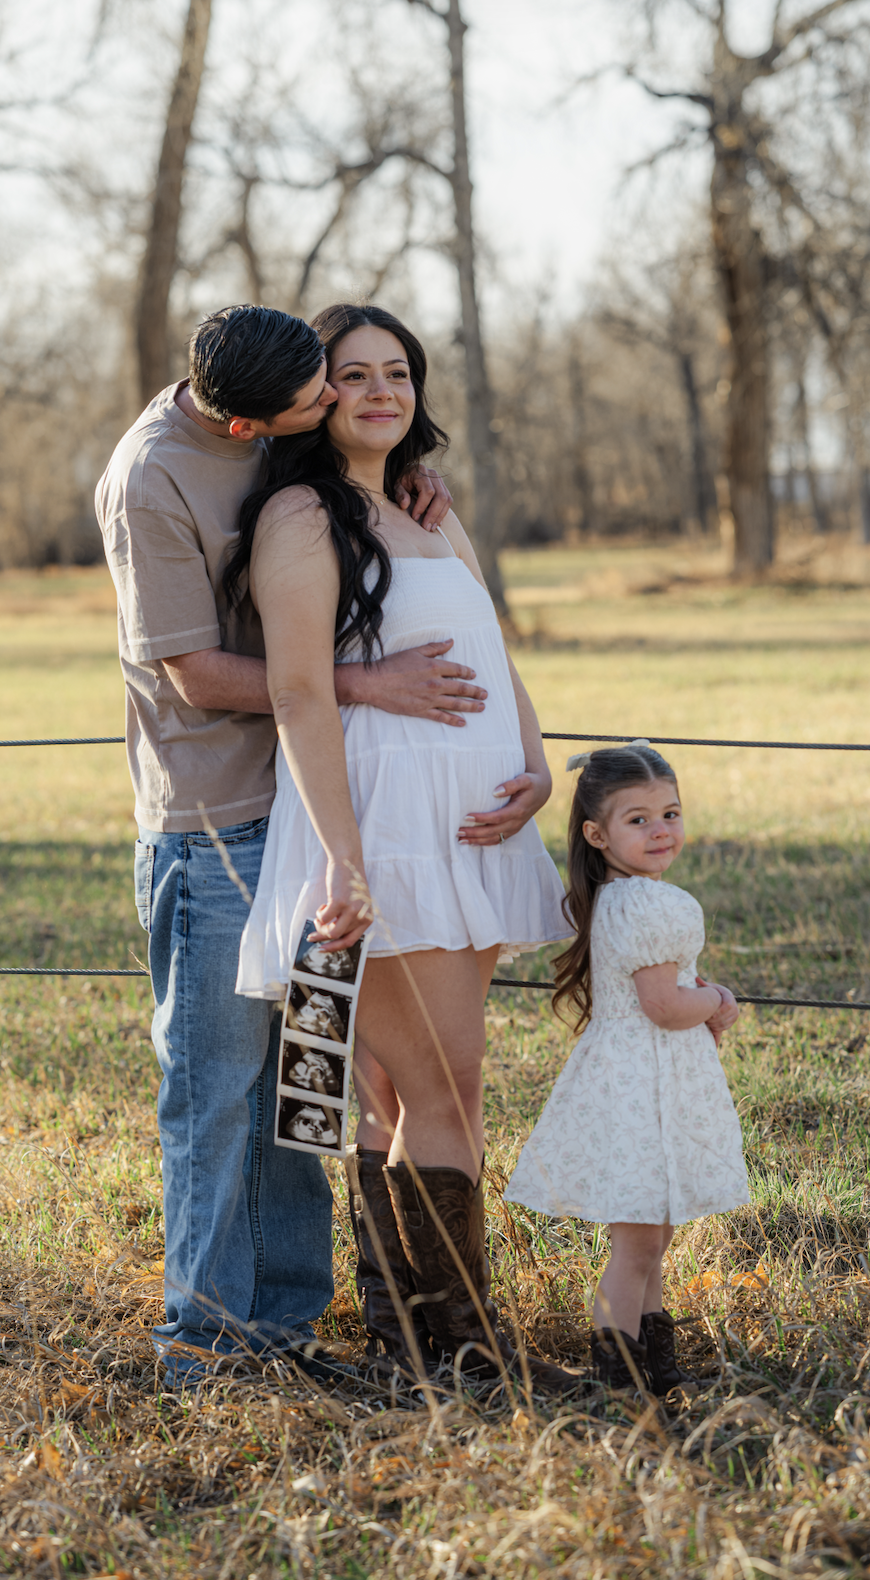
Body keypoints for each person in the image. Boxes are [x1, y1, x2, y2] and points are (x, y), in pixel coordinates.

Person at [95, 303, 490, 1384]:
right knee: (217, 1091)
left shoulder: (270, 406)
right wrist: (369, 685)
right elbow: (193, 672)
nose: (330, 402)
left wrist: (404, 485)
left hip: (312, 813)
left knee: (303, 1085)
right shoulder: (151, 481)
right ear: (242, 427)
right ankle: (206, 1342)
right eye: (316, 396)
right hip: (214, 822)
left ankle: (287, 1327)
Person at [232, 302, 580, 1393]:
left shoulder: (433, 510)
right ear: (315, 394)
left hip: (471, 820)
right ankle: (463, 1352)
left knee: (423, 1092)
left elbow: (493, 650)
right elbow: (296, 688)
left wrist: (535, 762)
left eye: (399, 372)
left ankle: (420, 1351)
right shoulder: (301, 513)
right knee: (442, 1086)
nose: (380, 391)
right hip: (381, 827)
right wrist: (343, 858)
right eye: (354, 374)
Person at [504, 743, 749, 1394]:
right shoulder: (650, 904)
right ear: (596, 833)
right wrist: (718, 1001)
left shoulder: (621, 896)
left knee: (651, 1238)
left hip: (636, 1081)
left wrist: (697, 995)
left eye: (669, 812)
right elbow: (665, 1005)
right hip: (644, 1087)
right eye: (637, 819)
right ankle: (617, 1379)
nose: (661, 829)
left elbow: (666, 987)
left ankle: (655, 1366)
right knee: (639, 1244)